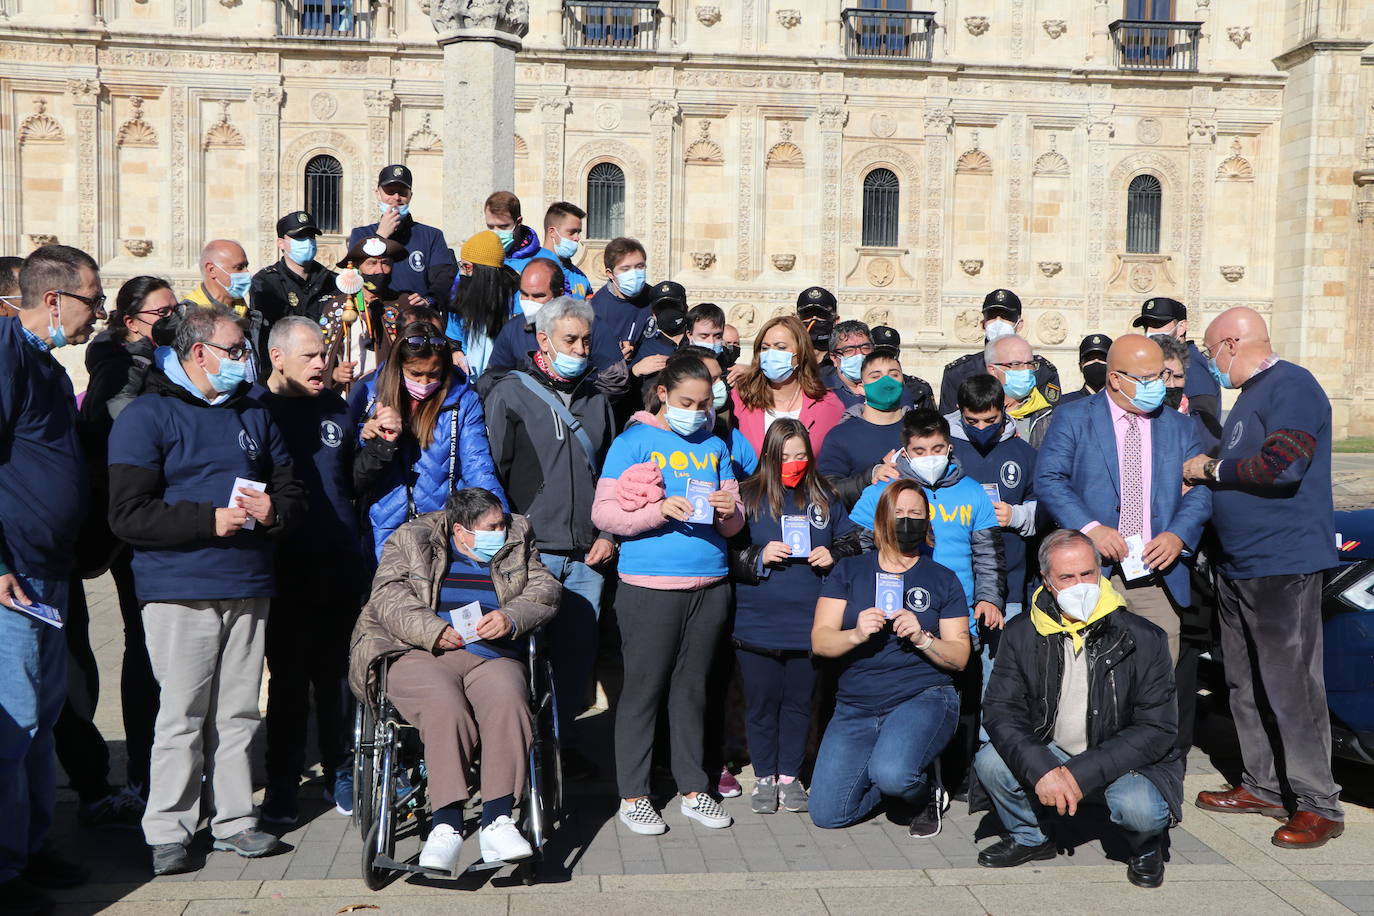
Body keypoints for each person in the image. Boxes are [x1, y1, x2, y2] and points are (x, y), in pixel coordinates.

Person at [107, 305, 305, 875]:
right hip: (179, 589)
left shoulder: (254, 412)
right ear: (199, 353)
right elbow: (127, 514)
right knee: (182, 715)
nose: (245, 358)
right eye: (235, 349)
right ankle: (168, 829)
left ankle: (236, 820)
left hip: (248, 583)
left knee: (239, 712)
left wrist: (274, 511)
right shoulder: (146, 415)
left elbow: (292, 489)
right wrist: (206, 521)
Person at [1186, 306, 1344, 849]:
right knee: (1243, 682)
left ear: (1232, 343)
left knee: (1292, 686)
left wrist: (1209, 469)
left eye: (1211, 351)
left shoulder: (1292, 385)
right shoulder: (1250, 396)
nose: (1211, 363)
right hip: (1239, 564)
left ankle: (1318, 802)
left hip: (1282, 565)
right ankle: (1263, 785)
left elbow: (1283, 465)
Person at [348, 488, 559, 873]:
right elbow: (388, 596)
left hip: (492, 654)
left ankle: (498, 820)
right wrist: (431, 629)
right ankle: (446, 825)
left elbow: (544, 589)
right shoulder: (411, 538)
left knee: (509, 701)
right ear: (460, 530)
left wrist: (511, 617)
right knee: (445, 707)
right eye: (491, 527)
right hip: (422, 652)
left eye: (501, 523)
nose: (501, 531)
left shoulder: (517, 535)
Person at [974, 529, 1182, 887]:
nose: (1080, 585)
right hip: (1052, 749)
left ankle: (1146, 846)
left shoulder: (1144, 637)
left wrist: (1078, 774)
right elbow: (1000, 710)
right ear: (1046, 580)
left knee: (1140, 809)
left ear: (1100, 571)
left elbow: (1156, 727)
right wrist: (1044, 769)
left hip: (1122, 758)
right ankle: (1030, 836)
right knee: (990, 762)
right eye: (1067, 577)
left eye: (1087, 573)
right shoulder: (1022, 631)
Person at [591, 353, 743, 836]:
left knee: (693, 693)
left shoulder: (715, 444)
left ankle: (694, 788)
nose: (696, 412)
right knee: (643, 692)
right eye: (686, 402)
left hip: (710, 584)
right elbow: (604, 514)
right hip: (649, 587)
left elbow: (735, 523)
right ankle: (633, 795)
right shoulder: (633, 441)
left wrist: (730, 510)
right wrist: (658, 512)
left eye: (704, 404)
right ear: (663, 394)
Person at [0, 244, 104, 913]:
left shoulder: (44, 362)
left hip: (51, 572)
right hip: (16, 577)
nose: (99, 313)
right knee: (14, 727)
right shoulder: (6, 354)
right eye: (94, 299)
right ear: (54, 299)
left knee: (41, 719)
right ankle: (6, 870)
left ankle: (31, 847)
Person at [482, 296, 616, 781]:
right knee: (519, 661)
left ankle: (561, 749)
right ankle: (516, 755)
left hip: (586, 556)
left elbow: (613, 475)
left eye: (586, 341)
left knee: (574, 662)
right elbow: (492, 476)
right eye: (570, 340)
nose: (580, 349)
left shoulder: (597, 399)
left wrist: (608, 532)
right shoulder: (510, 394)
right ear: (543, 340)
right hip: (531, 554)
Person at [252, 318, 374, 825]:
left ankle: (340, 771)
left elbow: (351, 479)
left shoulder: (336, 408)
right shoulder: (254, 410)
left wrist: (378, 448)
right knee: (287, 684)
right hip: (284, 568)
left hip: (339, 563)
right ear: (278, 358)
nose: (323, 363)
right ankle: (282, 784)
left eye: (323, 354)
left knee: (337, 679)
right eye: (310, 356)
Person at [810, 480, 971, 835]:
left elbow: (960, 656)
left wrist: (923, 638)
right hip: (856, 704)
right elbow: (821, 641)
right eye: (898, 513)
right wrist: (855, 634)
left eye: (915, 513)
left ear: (927, 521)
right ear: (882, 518)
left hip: (921, 695)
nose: (907, 520)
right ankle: (894, 777)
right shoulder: (849, 571)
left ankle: (922, 790)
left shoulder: (942, 579)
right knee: (827, 814)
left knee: (894, 774)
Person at [1036, 334, 1210, 663]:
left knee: (1157, 674)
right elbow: (1049, 479)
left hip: (1154, 573)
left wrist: (1178, 535)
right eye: (1147, 378)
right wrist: (1090, 529)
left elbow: (1200, 490)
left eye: (1161, 375)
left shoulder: (1179, 426)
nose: (1159, 385)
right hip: (1090, 573)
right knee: (1088, 673)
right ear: (1115, 379)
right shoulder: (1073, 417)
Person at [75, 276, 176, 807]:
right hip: (130, 528)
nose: (173, 320)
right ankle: (142, 772)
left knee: (160, 649)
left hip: (165, 520)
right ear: (132, 320)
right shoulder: (117, 365)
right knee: (144, 646)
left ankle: (166, 768)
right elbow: (113, 425)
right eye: (163, 313)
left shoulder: (164, 358)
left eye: (176, 310)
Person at [729, 419, 858, 815]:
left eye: (801, 455)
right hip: (757, 624)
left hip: (809, 622)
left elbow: (853, 541)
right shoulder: (747, 496)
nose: (794, 463)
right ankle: (764, 776)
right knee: (761, 705)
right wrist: (758, 556)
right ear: (770, 455)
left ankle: (790, 776)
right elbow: (726, 554)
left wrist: (834, 553)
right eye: (786, 456)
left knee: (800, 704)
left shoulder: (825, 495)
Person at [350, 320, 506, 557]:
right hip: (380, 529)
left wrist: (499, 519)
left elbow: (478, 464)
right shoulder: (369, 395)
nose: (424, 383)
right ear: (398, 366)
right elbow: (349, 467)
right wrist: (369, 436)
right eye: (415, 374)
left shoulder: (463, 401)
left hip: (439, 528)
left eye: (433, 374)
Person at [946, 374, 1040, 691]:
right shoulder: (944, 449)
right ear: (959, 411)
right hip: (951, 582)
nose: (982, 428)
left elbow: (1045, 506)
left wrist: (1016, 515)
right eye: (972, 421)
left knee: (998, 682)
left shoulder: (1024, 453)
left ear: (1004, 410)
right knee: (949, 678)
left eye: (990, 420)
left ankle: (991, 728)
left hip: (1007, 586)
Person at [730, 315, 845, 455]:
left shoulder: (828, 405)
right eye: (765, 348)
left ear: (801, 352)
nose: (771, 354)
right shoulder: (740, 398)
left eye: (781, 347)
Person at [348, 164, 454, 307]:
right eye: (390, 192)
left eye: (402, 192)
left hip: (415, 315)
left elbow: (444, 278)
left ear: (410, 196)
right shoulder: (361, 234)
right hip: (374, 313)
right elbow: (357, 276)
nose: (396, 198)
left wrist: (429, 300)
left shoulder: (431, 235)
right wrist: (381, 237)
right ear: (378, 194)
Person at [939, 289, 1060, 412]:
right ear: (983, 324)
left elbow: (1050, 416)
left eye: (1006, 317)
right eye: (992, 316)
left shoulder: (1042, 371)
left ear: (1019, 324)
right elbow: (950, 420)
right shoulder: (959, 372)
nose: (998, 322)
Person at [1131, 297, 1221, 444]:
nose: (1151, 331)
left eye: (1159, 324)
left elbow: (1202, 426)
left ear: (1181, 327)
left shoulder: (1192, 364)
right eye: (1147, 326)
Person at [818, 348, 915, 483]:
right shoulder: (841, 435)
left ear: (903, 383)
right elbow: (830, 487)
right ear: (861, 388)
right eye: (876, 377)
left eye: (894, 375)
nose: (886, 381)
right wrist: (871, 476)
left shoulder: (921, 429)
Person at [250, 211, 337, 352]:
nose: (307, 242)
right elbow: (265, 332)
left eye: (311, 236)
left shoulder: (332, 281)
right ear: (281, 243)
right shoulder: (266, 282)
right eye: (299, 237)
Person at [446, 231, 522, 378]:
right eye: (462, 265)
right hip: (469, 376)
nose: (462, 272)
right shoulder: (461, 290)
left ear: (484, 271)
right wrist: (455, 351)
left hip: (506, 376)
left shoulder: (517, 296)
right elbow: (453, 337)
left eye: (467, 266)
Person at [481, 257, 566, 381]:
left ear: (559, 294)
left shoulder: (581, 328)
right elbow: (493, 378)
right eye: (524, 294)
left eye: (538, 296)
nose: (529, 302)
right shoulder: (512, 330)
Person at [588, 237, 650, 372]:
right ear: (610, 273)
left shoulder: (655, 298)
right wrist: (615, 360)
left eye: (639, 267)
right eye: (625, 269)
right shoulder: (595, 309)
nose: (634, 274)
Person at [984, 334, 1055, 449]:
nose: (1026, 370)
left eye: (1030, 364)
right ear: (993, 370)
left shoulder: (1049, 417)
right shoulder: (976, 414)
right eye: (1016, 364)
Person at [543, 201, 594, 298]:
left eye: (578, 232)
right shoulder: (528, 269)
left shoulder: (581, 277)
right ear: (552, 232)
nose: (577, 238)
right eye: (572, 232)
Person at [1057, 334, 1112, 407]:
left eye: (1102, 358)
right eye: (1090, 358)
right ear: (1080, 366)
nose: (1096, 361)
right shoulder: (1065, 403)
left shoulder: (1121, 402)